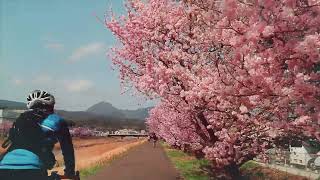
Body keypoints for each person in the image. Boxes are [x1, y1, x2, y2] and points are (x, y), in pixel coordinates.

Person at [0, 90, 76, 180]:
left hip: (4, 167)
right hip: (33, 169)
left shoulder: (20, 120)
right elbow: (67, 150)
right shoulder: (56, 120)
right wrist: (70, 173)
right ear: (50, 106)